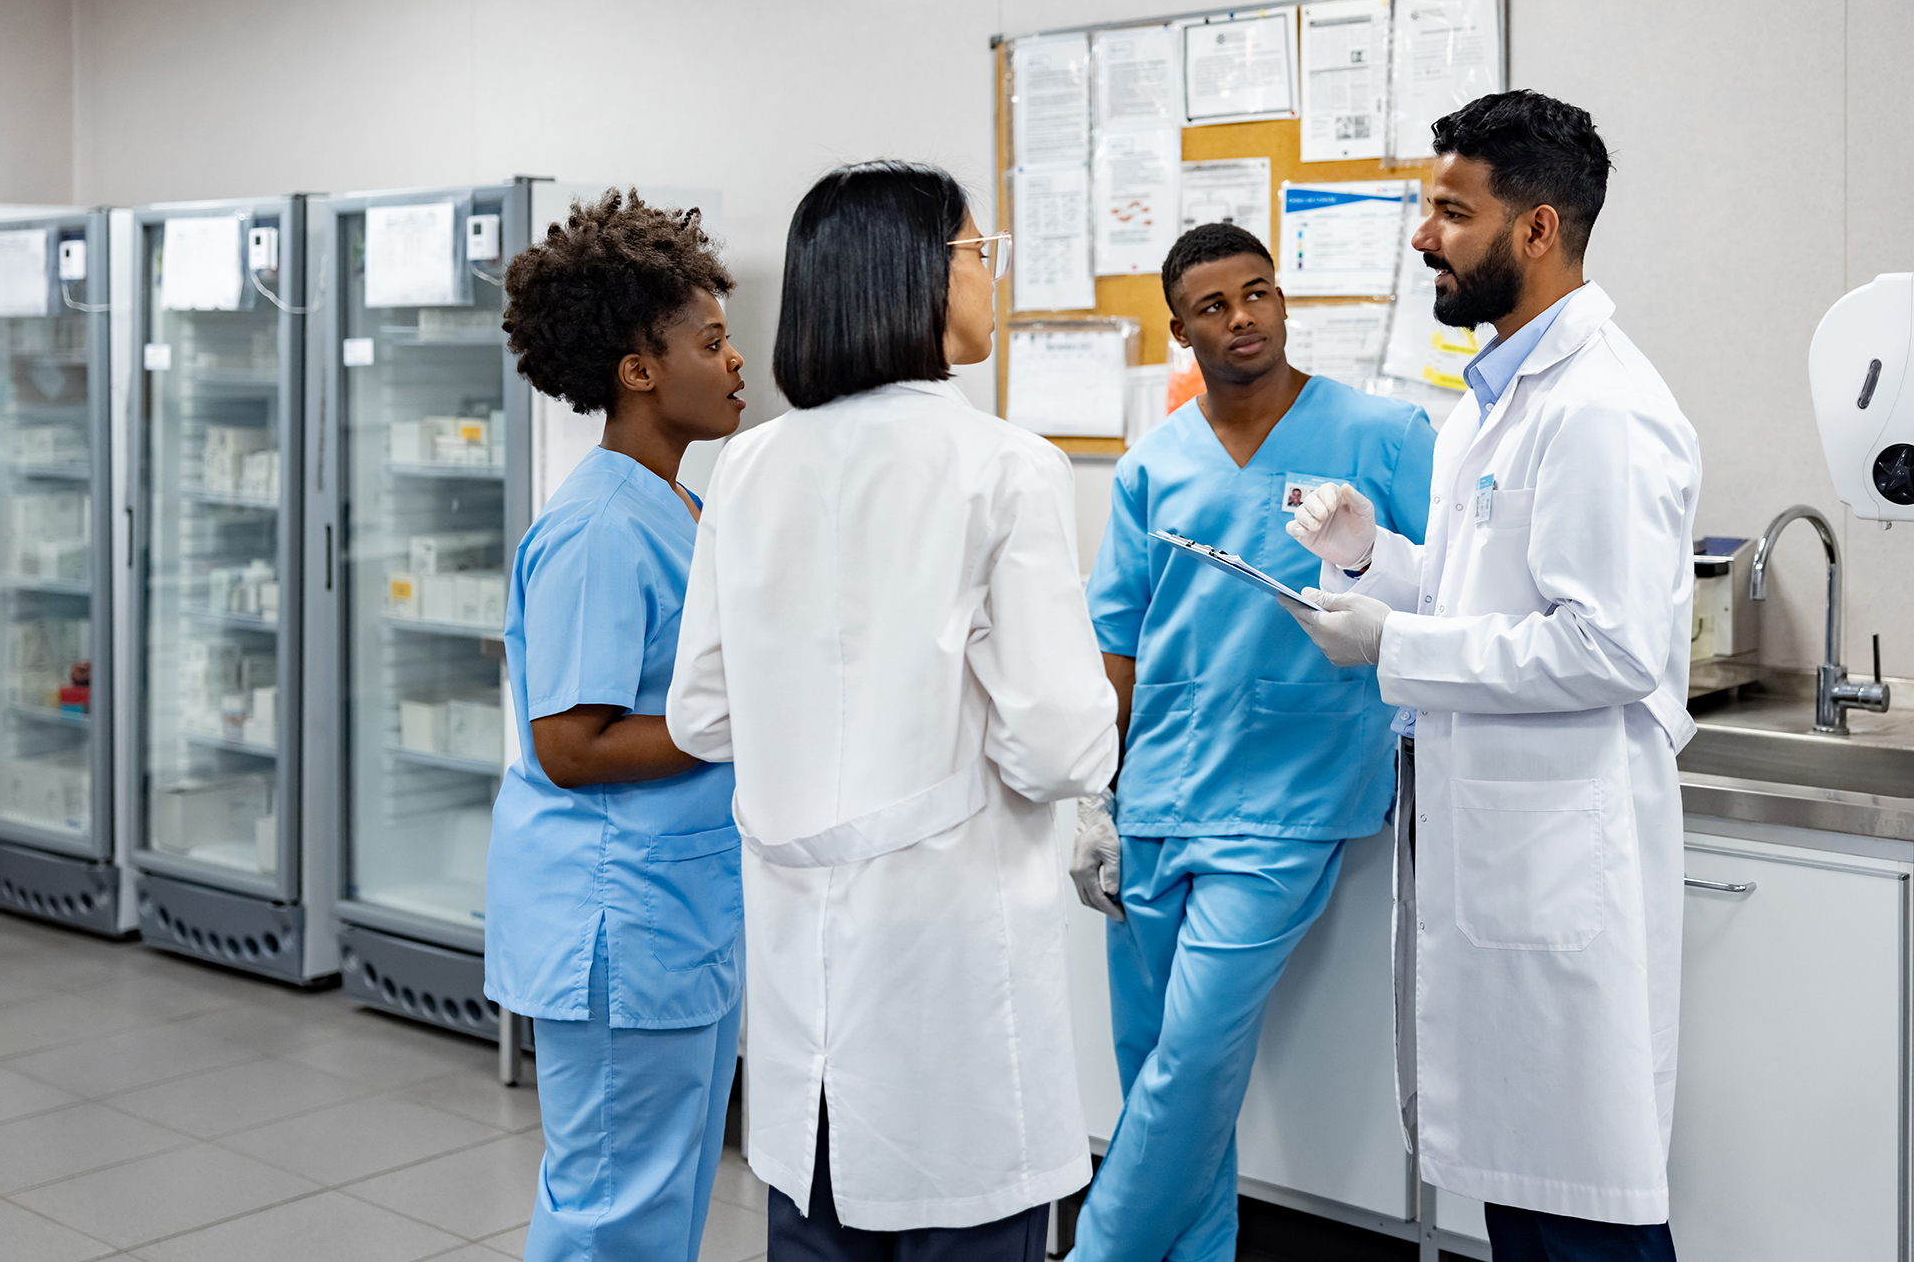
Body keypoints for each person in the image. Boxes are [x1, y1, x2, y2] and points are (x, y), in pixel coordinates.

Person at [666, 160, 1118, 1259]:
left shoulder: (750, 466)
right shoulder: (1004, 464)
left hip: (797, 1004)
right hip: (952, 990)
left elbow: (700, 716)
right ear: (913, 273)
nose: (990, 276)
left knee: (816, 1218)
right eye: (977, 252)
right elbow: (1059, 744)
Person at [1282, 91, 1700, 1262]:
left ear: (1536, 229)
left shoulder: (1601, 408)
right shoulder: (1495, 395)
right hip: (1499, 857)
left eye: (1447, 212)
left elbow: (1606, 646)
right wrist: (1372, 557)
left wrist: (1392, 645)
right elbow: (1492, 605)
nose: (1421, 235)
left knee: (1583, 1222)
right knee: (1528, 1211)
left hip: (1557, 868)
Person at [1068, 222, 1436, 1262]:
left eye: (1259, 293)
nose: (1243, 319)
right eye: (1215, 305)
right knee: (1158, 1071)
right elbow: (1118, 642)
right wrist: (1098, 796)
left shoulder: (1382, 435)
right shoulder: (1153, 466)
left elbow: (1450, 585)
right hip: (1156, 798)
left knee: (1189, 1060)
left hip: (1288, 798)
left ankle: (1097, 1250)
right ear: (1178, 325)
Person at [483, 190, 749, 1262]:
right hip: (617, 925)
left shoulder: (677, 501)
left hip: (674, 912)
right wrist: (742, 718)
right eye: (712, 342)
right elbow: (571, 743)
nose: (736, 363)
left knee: (665, 1197)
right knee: (609, 1210)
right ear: (639, 368)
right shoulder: (598, 525)